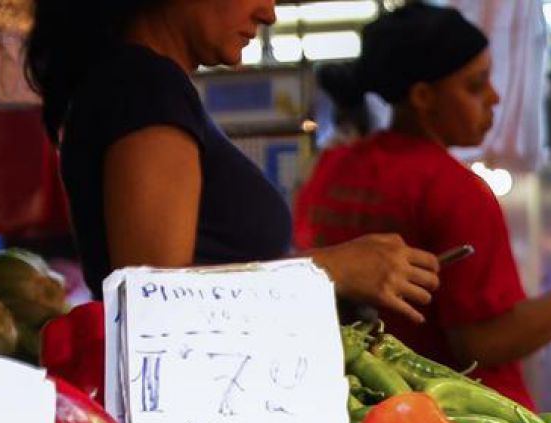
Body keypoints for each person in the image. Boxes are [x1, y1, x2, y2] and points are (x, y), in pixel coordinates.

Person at [296, 5, 551, 408]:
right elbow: (484, 342)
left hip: (369, 407)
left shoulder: (332, 168)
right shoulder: (452, 188)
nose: (494, 98)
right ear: (423, 97)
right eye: (475, 86)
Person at [27, 0, 437, 322]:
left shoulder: (144, 85)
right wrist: (331, 270)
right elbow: (154, 301)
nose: (269, 12)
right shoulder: (144, 87)